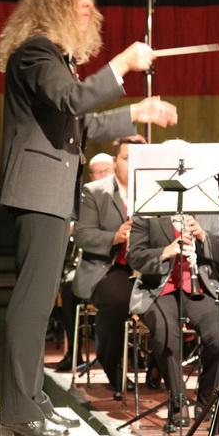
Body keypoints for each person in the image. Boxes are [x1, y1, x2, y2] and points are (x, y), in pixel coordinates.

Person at [0, 0, 177, 436]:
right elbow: (73, 101)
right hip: (38, 192)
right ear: (53, 2)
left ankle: (32, 398)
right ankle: (18, 411)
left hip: (51, 194)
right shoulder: (36, 52)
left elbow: (81, 125)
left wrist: (136, 112)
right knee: (31, 304)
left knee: (38, 304)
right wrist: (123, 64)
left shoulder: (55, 58)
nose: (86, 3)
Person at [128, 213, 219, 429]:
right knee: (165, 332)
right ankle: (178, 401)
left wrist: (203, 236)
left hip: (201, 289)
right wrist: (166, 251)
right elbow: (135, 257)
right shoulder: (148, 214)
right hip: (159, 290)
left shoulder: (210, 212)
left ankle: (206, 400)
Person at [72, 137, 145, 398]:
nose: (133, 164)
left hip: (149, 266)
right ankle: (112, 364)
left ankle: (158, 371)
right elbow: (82, 235)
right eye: (127, 158)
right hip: (109, 267)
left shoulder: (156, 191)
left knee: (168, 301)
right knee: (118, 300)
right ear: (115, 162)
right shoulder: (95, 191)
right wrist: (115, 237)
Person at [55, 151, 114, 373]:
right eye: (96, 172)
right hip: (91, 262)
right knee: (69, 286)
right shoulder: (86, 196)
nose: (100, 176)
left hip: (119, 264)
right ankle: (73, 351)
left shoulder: (121, 195)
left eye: (105, 171)